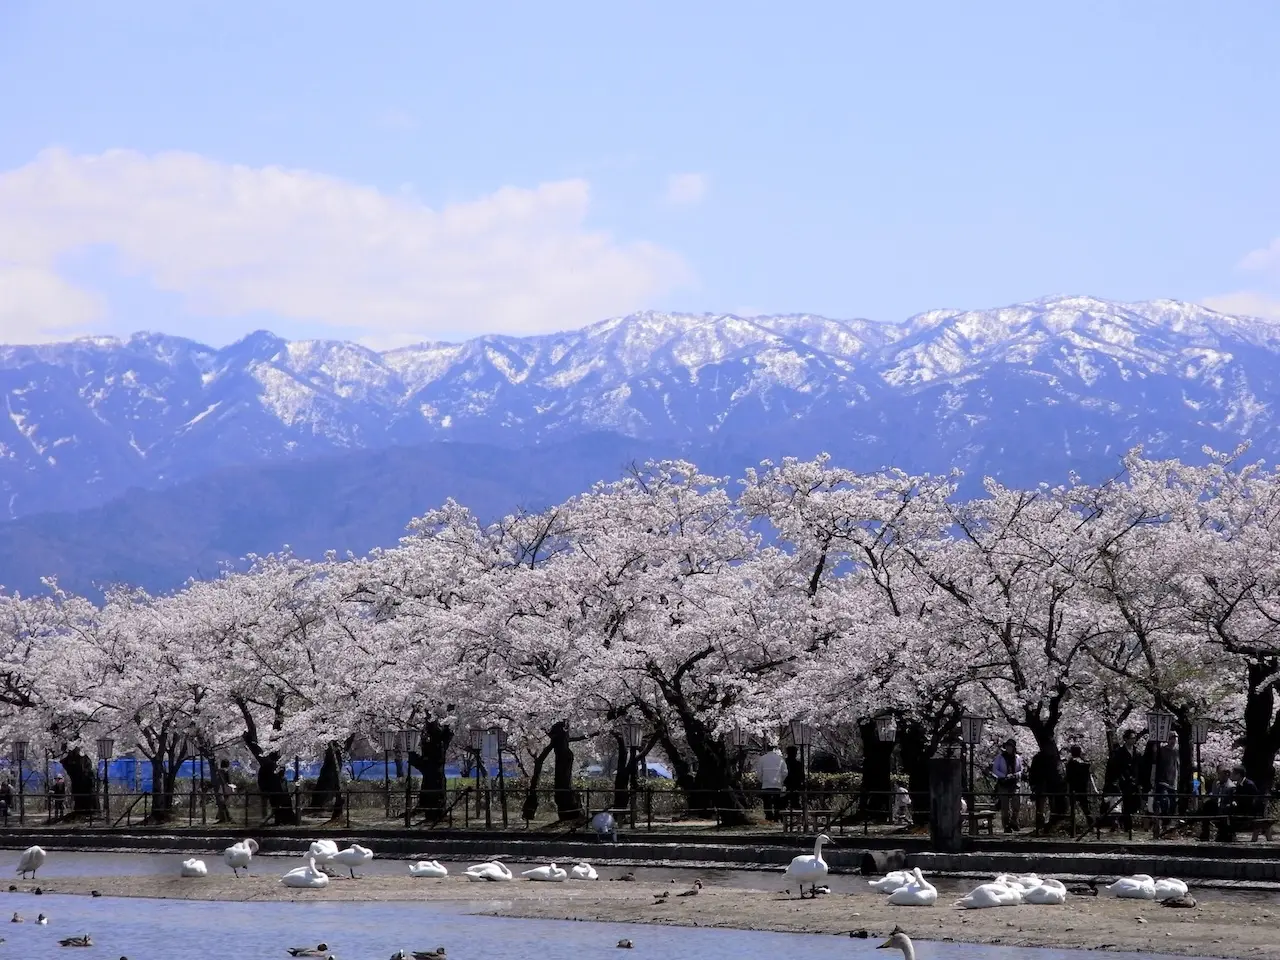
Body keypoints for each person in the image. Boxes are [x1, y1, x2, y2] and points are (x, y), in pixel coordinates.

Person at [1103, 730, 1139, 833]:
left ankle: (1123, 825)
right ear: (1126, 739)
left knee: (1131, 804)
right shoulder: (1119, 752)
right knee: (1124, 803)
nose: (1133, 740)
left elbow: (1138, 767)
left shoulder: (1136, 751)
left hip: (1133, 781)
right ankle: (1127, 827)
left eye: (1134, 738)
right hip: (1123, 781)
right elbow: (1115, 768)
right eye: (1131, 738)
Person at [1151, 730, 1180, 835]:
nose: (1173, 740)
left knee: (1173, 805)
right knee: (1164, 802)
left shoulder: (1177, 752)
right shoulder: (1162, 751)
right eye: (1171, 738)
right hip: (1163, 781)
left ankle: (1167, 825)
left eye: (1175, 738)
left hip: (1174, 782)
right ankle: (1163, 824)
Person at [992, 738, 1024, 833]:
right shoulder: (1000, 757)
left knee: (1016, 805)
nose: (1008, 748)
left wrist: (1016, 775)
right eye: (1007, 746)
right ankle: (1006, 825)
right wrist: (1004, 776)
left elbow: (1021, 769)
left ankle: (1014, 821)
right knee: (1005, 806)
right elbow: (995, 769)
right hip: (1004, 783)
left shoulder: (1017, 758)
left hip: (1014, 783)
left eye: (1010, 747)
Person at [1227, 765, 1264, 840]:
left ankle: (1230, 833)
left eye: (1233, 773)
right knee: (1227, 809)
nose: (1231, 775)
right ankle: (1228, 833)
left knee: (1230, 811)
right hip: (1241, 808)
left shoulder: (1249, 785)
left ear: (1238, 775)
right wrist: (1234, 801)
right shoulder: (1237, 784)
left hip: (1250, 809)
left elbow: (1254, 800)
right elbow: (1236, 797)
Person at [753, 745, 787, 822]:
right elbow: (785, 772)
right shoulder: (780, 759)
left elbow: (759, 773)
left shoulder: (762, 759)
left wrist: (762, 780)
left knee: (767, 802)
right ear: (774, 749)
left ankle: (768, 817)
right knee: (777, 802)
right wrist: (781, 780)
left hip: (766, 784)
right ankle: (777, 817)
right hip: (777, 784)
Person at [1065, 745, 1094, 832]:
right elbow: (1088, 773)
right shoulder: (1082, 763)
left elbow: (1068, 777)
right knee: (1085, 807)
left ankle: (1074, 826)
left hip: (1073, 787)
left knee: (1074, 808)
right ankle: (1091, 825)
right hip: (1082, 787)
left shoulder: (1070, 763)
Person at [1027, 749, 1055, 831]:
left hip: (1045, 784)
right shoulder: (1046, 758)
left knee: (1043, 806)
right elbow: (1032, 772)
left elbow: (1032, 772)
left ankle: (1042, 824)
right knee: (1041, 806)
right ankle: (1041, 824)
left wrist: (1032, 784)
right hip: (1043, 784)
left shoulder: (1039, 758)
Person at [783, 745, 804, 815]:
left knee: (783, 803)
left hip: (785, 785)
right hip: (795, 785)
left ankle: (783, 818)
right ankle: (797, 819)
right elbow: (802, 776)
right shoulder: (798, 764)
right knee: (795, 803)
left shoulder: (784, 763)